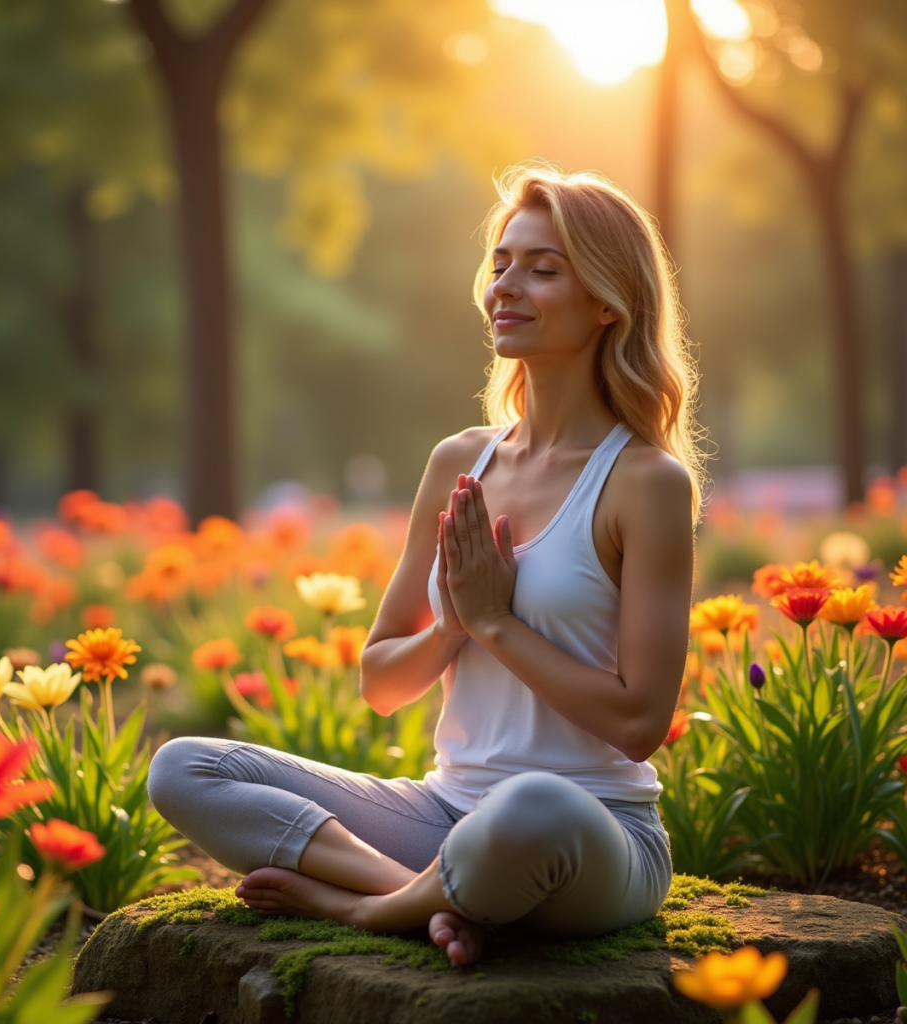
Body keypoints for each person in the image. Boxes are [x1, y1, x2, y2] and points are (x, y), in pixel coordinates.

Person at [147, 162, 703, 967]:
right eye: (503, 263)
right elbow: (381, 684)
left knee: (528, 812)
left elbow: (639, 724)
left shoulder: (643, 481)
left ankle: (369, 909)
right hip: (445, 813)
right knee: (185, 767)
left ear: (608, 303)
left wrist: (494, 623)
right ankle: (429, 896)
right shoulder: (460, 463)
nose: (506, 286)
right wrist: (453, 630)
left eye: (543, 270)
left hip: (591, 829)